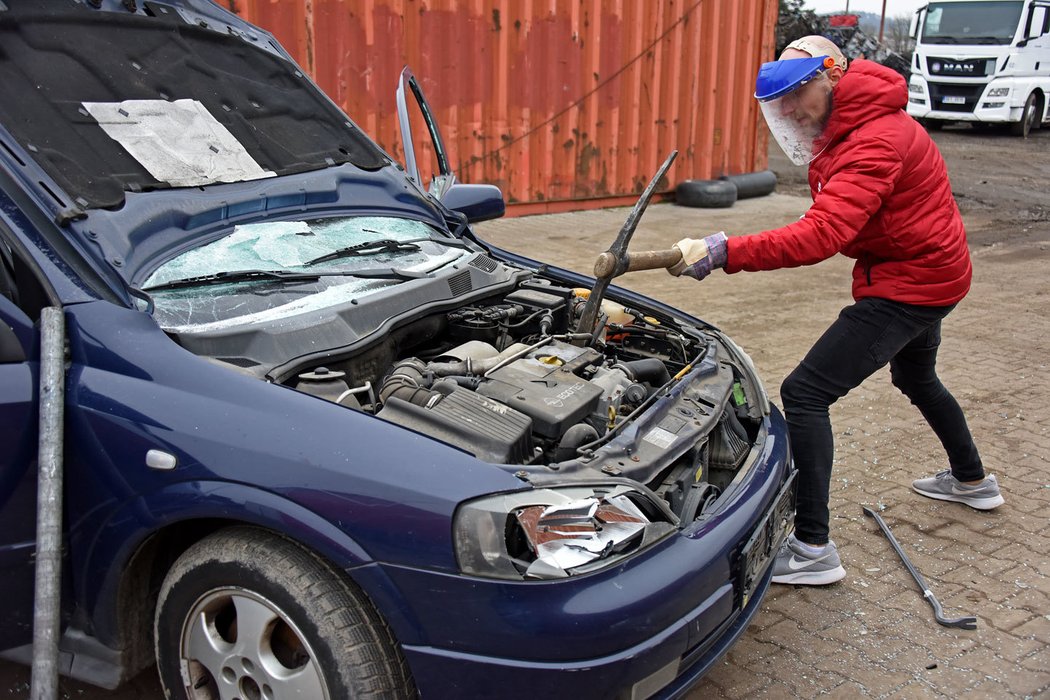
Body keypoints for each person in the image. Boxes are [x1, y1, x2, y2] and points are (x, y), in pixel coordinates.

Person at [667, 36, 1004, 586]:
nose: (793, 110)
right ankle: (972, 482)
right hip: (932, 271)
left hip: (909, 286)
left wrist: (728, 250)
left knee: (805, 393)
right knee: (918, 379)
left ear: (835, 74)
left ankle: (812, 549)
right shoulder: (858, 125)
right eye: (784, 102)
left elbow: (823, 233)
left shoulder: (876, 140)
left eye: (801, 93)